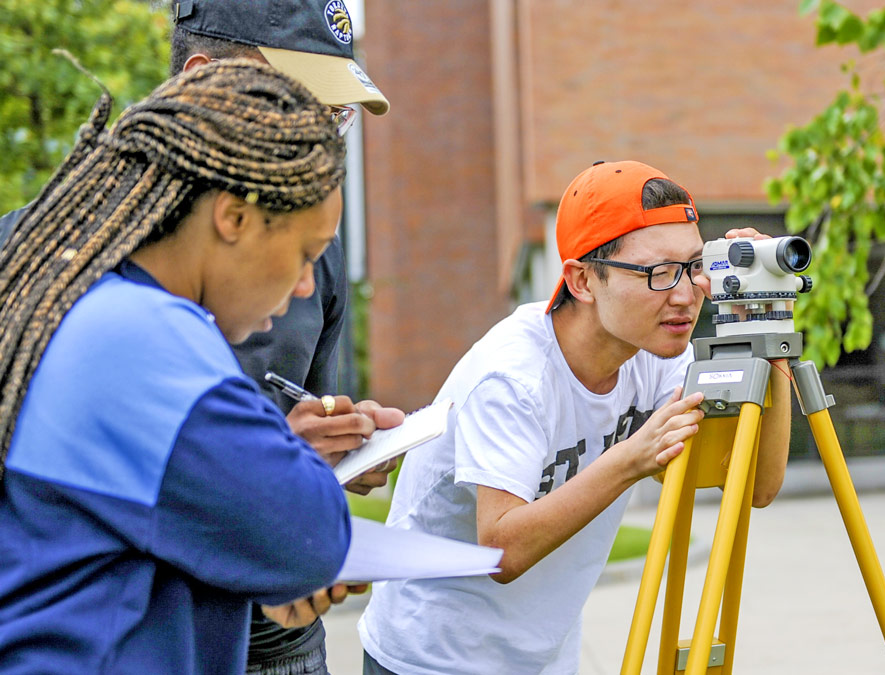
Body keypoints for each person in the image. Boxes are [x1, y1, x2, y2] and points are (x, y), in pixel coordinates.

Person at [0, 2, 401, 671]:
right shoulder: (131, 323)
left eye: (335, 121)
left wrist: (280, 460)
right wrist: (278, 504)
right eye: (298, 109)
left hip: (254, 630)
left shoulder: (116, 300)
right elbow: (301, 530)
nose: (322, 149)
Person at [358, 160, 794, 674]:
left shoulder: (658, 353)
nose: (683, 295)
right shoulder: (512, 377)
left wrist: (766, 334)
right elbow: (501, 550)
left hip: (545, 658)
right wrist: (629, 460)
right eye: (658, 273)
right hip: (431, 658)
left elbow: (757, 486)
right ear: (583, 280)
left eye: (693, 267)